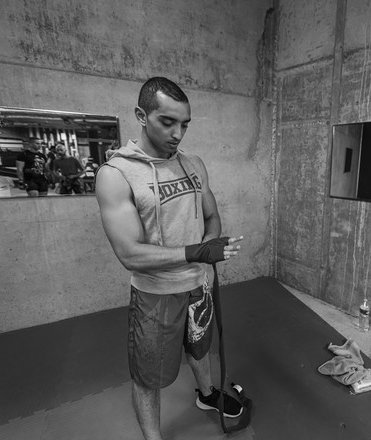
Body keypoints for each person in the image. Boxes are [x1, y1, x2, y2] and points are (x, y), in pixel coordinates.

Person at [95, 77, 243, 440]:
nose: (178, 134)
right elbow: (129, 253)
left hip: (198, 285)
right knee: (148, 378)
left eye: (185, 124)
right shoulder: (116, 175)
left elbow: (212, 214)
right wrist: (196, 252)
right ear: (141, 116)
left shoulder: (193, 164)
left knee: (200, 347)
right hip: (155, 296)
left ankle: (207, 395)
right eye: (167, 122)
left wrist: (209, 241)